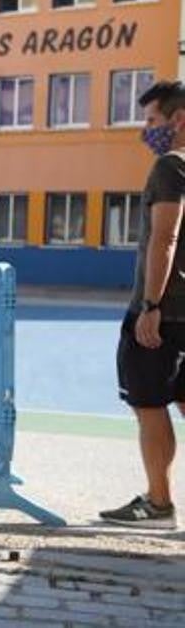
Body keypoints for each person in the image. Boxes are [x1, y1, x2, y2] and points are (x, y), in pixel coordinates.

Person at [103, 80, 185, 530]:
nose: (145, 130)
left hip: (165, 310)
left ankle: (158, 504)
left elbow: (164, 237)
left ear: (178, 120)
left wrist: (150, 305)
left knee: (149, 404)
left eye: (152, 120)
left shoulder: (170, 167)